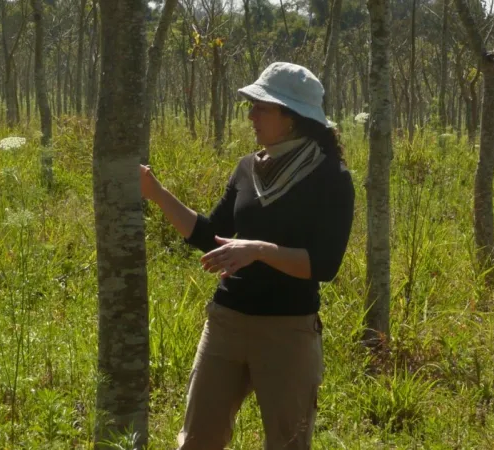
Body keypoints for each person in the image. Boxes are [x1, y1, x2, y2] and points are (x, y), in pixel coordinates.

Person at [140, 62, 355, 449]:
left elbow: (324, 265)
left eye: (261, 107)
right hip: (226, 324)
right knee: (197, 440)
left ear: (291, 118)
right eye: (252, 106)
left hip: (288, 332)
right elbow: (210, 236)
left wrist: (258, 250)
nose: (251, 115)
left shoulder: (331, 178)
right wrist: (155, 192)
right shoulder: (247, 168)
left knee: (287, 442)